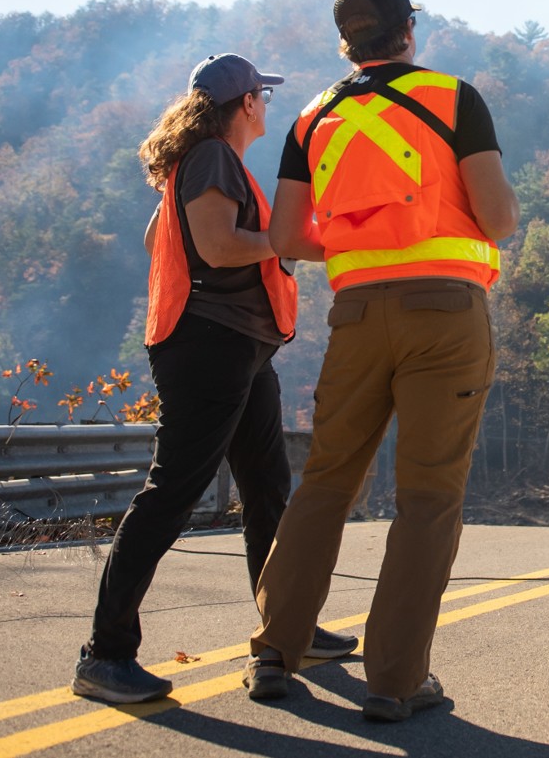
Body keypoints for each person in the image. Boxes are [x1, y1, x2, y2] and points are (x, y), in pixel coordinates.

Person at [246, 0, 519, 721]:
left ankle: (276, 648)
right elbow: (496, 219)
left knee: (327, 479)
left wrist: (355, 236)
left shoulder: (310, 117)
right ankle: (394, 680)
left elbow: (286, 237)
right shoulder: (452, 98)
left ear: (348, 41)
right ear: (408, 30)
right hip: (444, 313)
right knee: (428, 496)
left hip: (358, 316)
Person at [71, 53, 357, 704]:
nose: (267, 103)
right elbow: (220, 246)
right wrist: (285, 238)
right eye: (262, 94)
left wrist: (304, 239)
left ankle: (289, 627)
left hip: (240, 347)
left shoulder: (201, 161)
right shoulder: (211, 158)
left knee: (266, 488)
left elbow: (159, 240)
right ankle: (104, 654)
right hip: (210, 346)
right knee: (172, 491)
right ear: (245, 103)